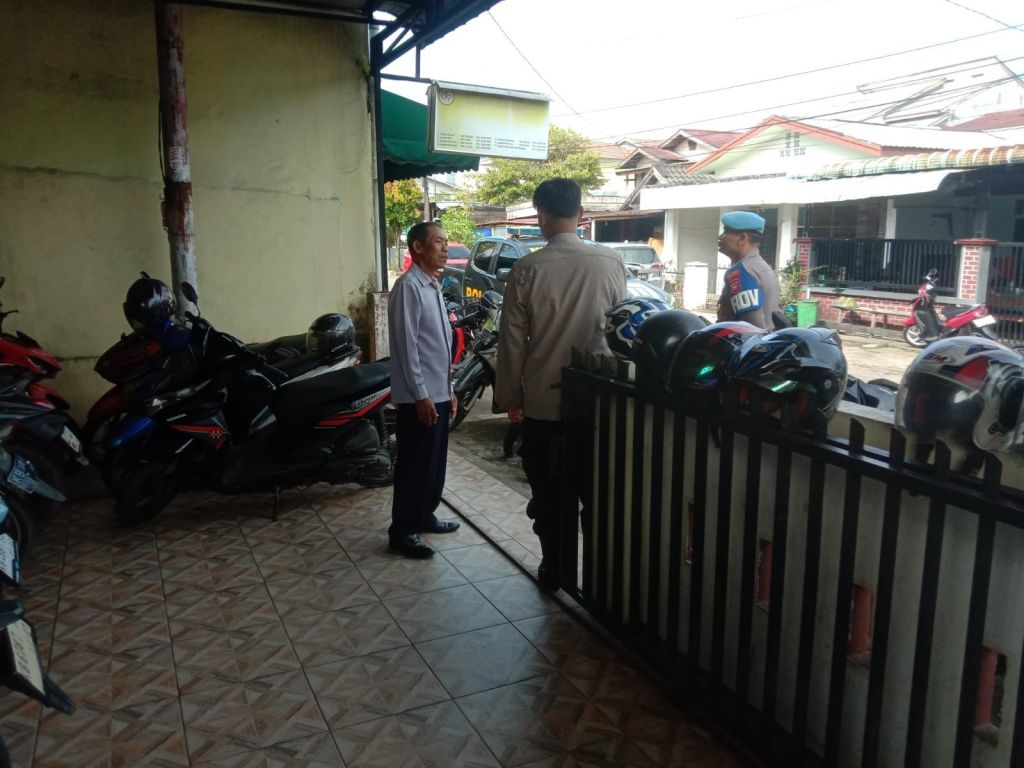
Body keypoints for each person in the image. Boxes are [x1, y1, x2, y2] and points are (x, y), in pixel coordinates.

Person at [495, 178, 628, 589]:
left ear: (541, 216)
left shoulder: (527, 269)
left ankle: (555, 567)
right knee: (597, 495)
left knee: (549, 495)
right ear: (581, 214)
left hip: (544, 406)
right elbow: (622, 332)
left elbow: (512, 341)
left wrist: (511, 398)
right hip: (598, 405)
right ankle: (599, 581)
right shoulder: (612, 263)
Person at [387, 221, 461, 559]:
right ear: (417, 247)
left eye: (445, 242)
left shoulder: (432, 285)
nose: (445, 248)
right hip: (421, 397)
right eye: (438, 242)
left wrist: (450, 389)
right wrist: (421, 394)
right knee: (414, 464)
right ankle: (402, 531)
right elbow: (407, 347)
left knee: (433, 463)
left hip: (438, 392)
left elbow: (438, 346)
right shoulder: (408, 287)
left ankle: (424, 515)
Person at [716, 211, 780, 331]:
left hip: (747, 341)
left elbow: (750, 327)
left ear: (742, 238)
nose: (720, 237)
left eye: (725, 231)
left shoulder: (741, 272)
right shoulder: (762, 267)